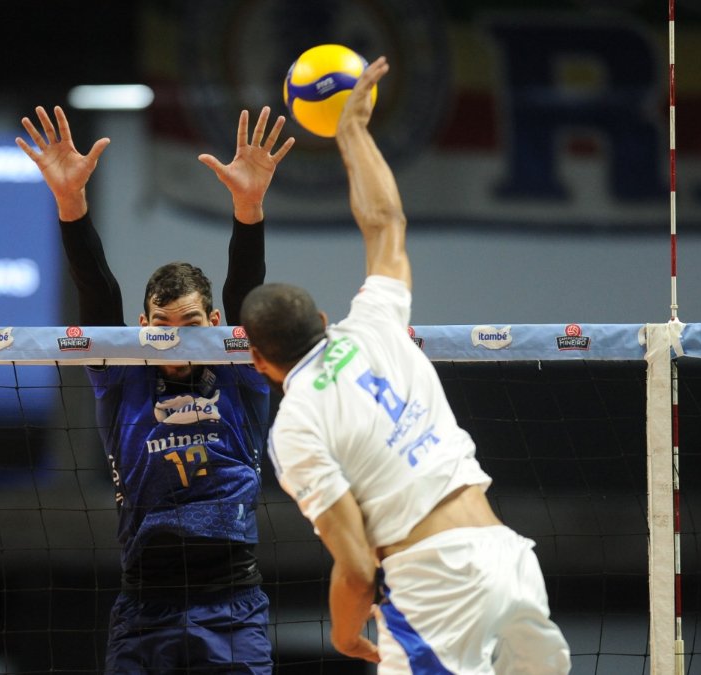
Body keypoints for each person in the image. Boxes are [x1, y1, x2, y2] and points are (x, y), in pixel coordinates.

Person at [240, 57, 572, 674]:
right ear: (322, 321)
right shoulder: (374, 323)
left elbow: (356, 569)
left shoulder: (295, 428)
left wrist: (344, 634)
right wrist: (353, 133)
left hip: (435, 587)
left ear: (257, 360)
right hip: (506, 558)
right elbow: (386, 223)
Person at [16, 104, 294, 673]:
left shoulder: (239, 369)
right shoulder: (123, 375)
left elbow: (246, 290)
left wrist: (249, 207)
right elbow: (98, 292)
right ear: (143, 327)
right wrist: (71, 203)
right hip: (145, 607)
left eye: (189, 326)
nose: (174, 339)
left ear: (214, 325)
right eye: (161, 327)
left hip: (232, 606)